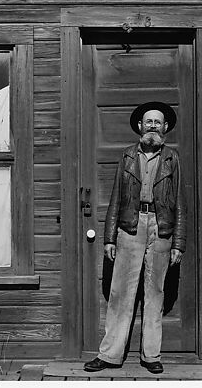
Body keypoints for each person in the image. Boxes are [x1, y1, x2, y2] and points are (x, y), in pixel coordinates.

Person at [84, 101, 186, 374]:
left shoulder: (172, 158)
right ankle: (109, 355)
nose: (152, 126)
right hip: (130, 226)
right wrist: (109, 237)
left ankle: (151, 356)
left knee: (155, 293)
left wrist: (179, 242)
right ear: (140, 126)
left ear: (164, 128)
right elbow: (116, 197)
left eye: (157, 122)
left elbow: (179, 202)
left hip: (161, 227)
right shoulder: (128, 155)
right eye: (148, 121)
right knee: (120, 292)